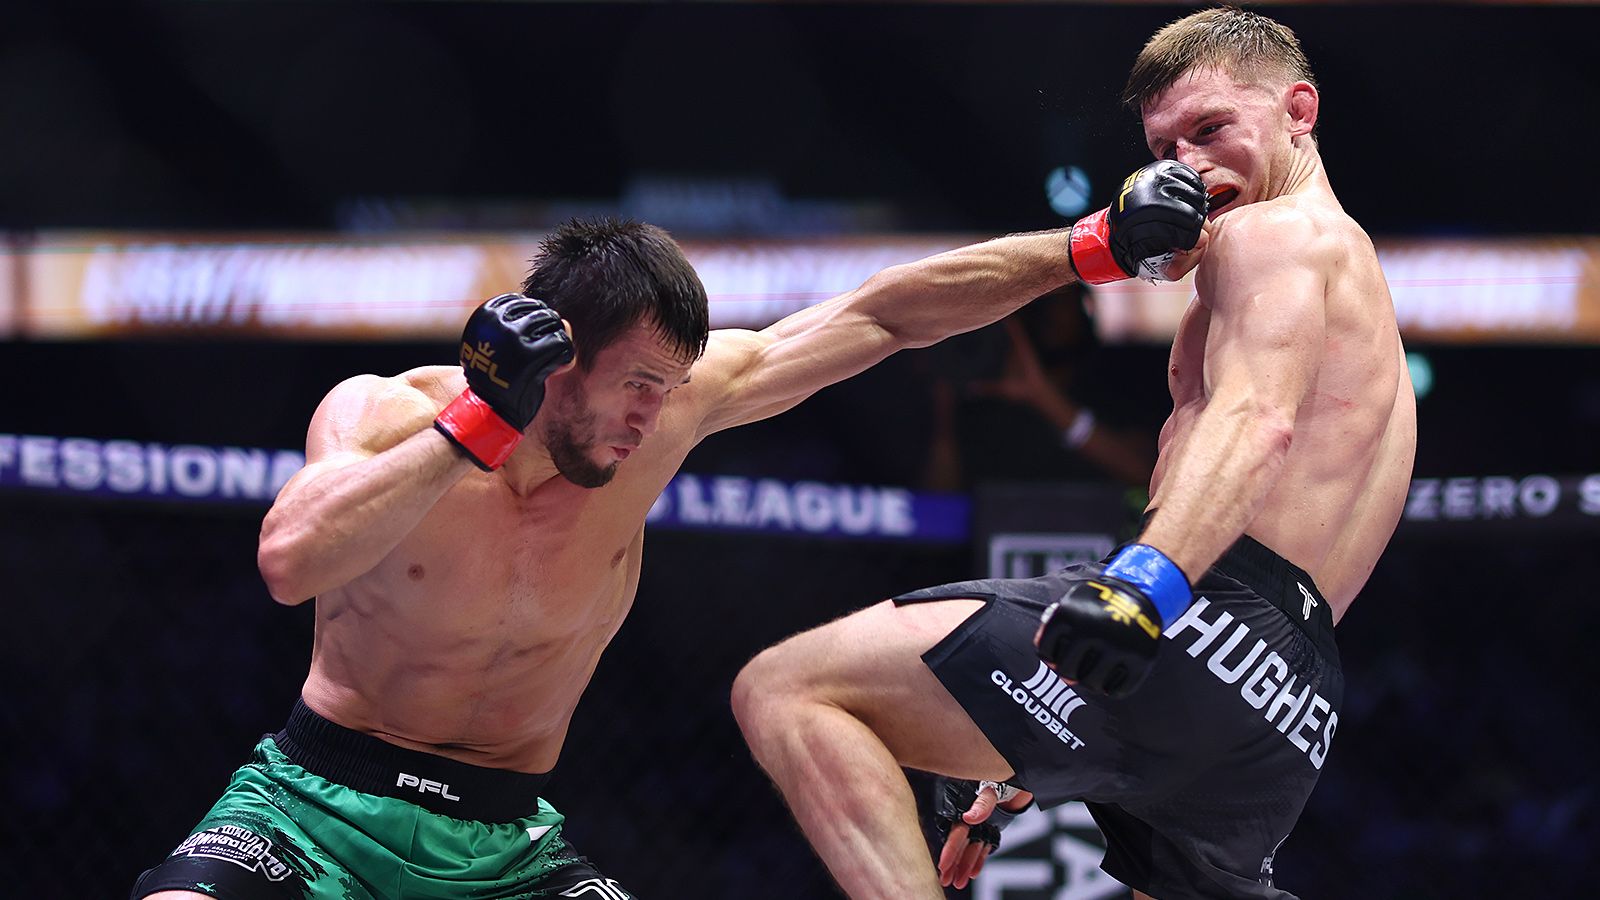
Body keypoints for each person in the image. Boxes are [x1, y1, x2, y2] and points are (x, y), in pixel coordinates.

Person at [133, 204, 1205, 898]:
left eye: (672, 385)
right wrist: (473, 426)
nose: (657, 416)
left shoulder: (672, 414)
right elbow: (288, 561)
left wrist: (1089, 247)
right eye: (639, 384)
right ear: (558, 356)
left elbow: (884, 316)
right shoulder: (385, 413)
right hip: (311, 808)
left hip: (504, 845)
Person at [732, 8, 1416, 899]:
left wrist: (1143, 587)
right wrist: (1030, 761)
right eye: (1165, 150)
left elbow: (1255, 420)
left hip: (1200, 609)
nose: (1188, 167)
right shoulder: (1364, 300)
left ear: (1299, 110)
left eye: (1211, 130)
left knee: (788, 690)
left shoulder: (1272, 235)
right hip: (1290, 697)